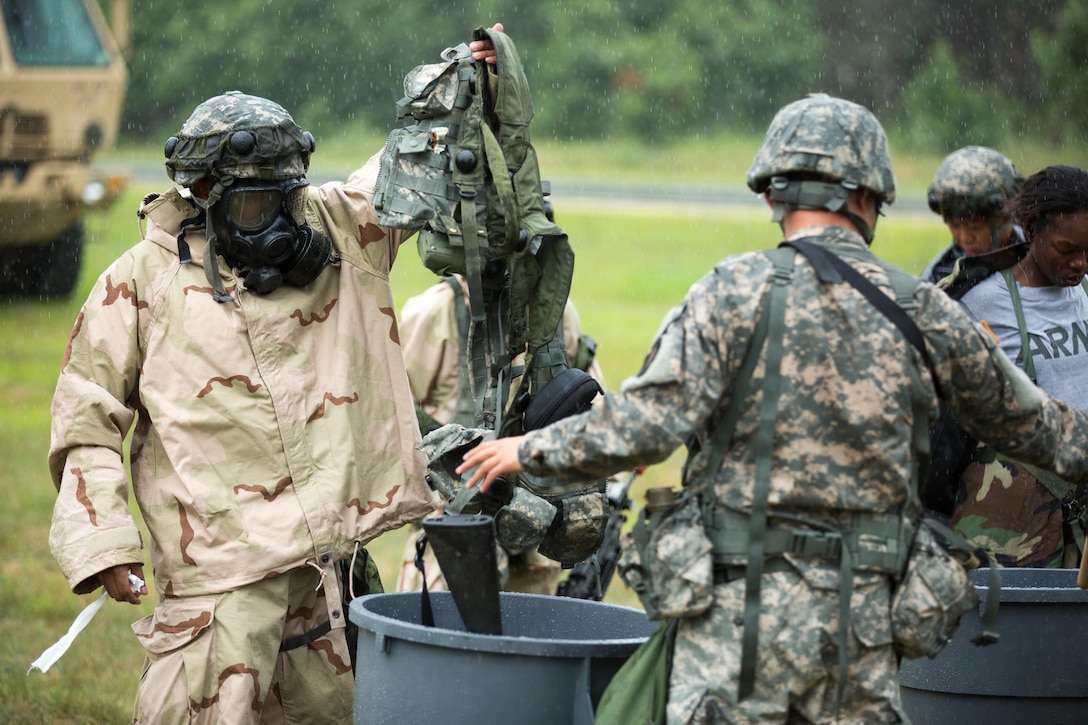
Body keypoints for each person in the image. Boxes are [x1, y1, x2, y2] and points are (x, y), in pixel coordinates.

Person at [458, 94, 1088, 723]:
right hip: (860, 634)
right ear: (873, 199)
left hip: (735, 630)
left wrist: (526, 449)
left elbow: (646, 427)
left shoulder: (728, 294)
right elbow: (1044, 430)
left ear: (770, 197)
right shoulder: (929, 312)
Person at [45, 32, 502, 725]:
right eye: (253, 208)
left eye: (284, 200)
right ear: (203, 196)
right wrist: (104, 542)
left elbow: (410, 159)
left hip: (327, 581)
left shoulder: (339, 231)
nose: (276, 226)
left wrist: (467, 80)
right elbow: (86, 415)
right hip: (218, 584)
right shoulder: (139, 283)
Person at [395, 270, 605, 595]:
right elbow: (396, 411)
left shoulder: (555, 310)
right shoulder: (435, 312)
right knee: (447, 635)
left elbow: (588, 402)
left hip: (537, 523)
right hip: (456, 530)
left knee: (533, 639)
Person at [950, 165, 1088, 568]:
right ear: (1032, 229)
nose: (1080, 263)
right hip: (1015, 519)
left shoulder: (1084, 293)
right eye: (1066, 249)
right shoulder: (982, 305)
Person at [921, 146, 1025, 284]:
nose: (965, 238)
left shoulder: (1039, 263)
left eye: (974, 226)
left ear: (1006, 216)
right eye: (955, 225)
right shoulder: (938, 277)